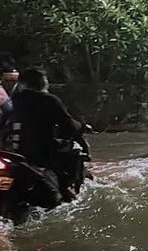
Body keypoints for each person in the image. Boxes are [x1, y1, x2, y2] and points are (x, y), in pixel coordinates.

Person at [6, 68, 87, 206]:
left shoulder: (15, 100)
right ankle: (66, 189)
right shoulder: (48, 100)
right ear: (42, 82)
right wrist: (82, 126)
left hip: (14, 151)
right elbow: (69, 126)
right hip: (42, 152)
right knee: (75, 149)